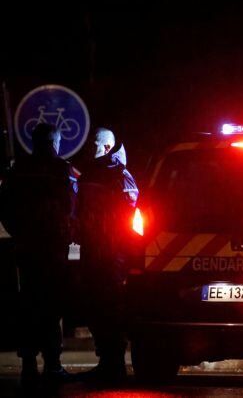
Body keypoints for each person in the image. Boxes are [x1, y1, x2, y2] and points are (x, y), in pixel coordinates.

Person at [0, 124, 76, 387]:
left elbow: (5, 208)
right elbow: (72, 207)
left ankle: (29, 364)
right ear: (54, 141)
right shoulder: (60, 170)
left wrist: (21, 233)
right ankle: (52, 364)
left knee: (29, 306)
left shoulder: (18, 170)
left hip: (28, 249)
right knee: (52, 306)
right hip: (53, 250)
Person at [76, 128, 139, 384]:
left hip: (112, 254)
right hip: (93, 251)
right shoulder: (91, 173)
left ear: (107, 147)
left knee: (111, 308)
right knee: (95, 307)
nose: (89, 146)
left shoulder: (119, 175)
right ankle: (106, 362)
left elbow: (130, 211)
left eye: (94, 143)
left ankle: (114, 365)